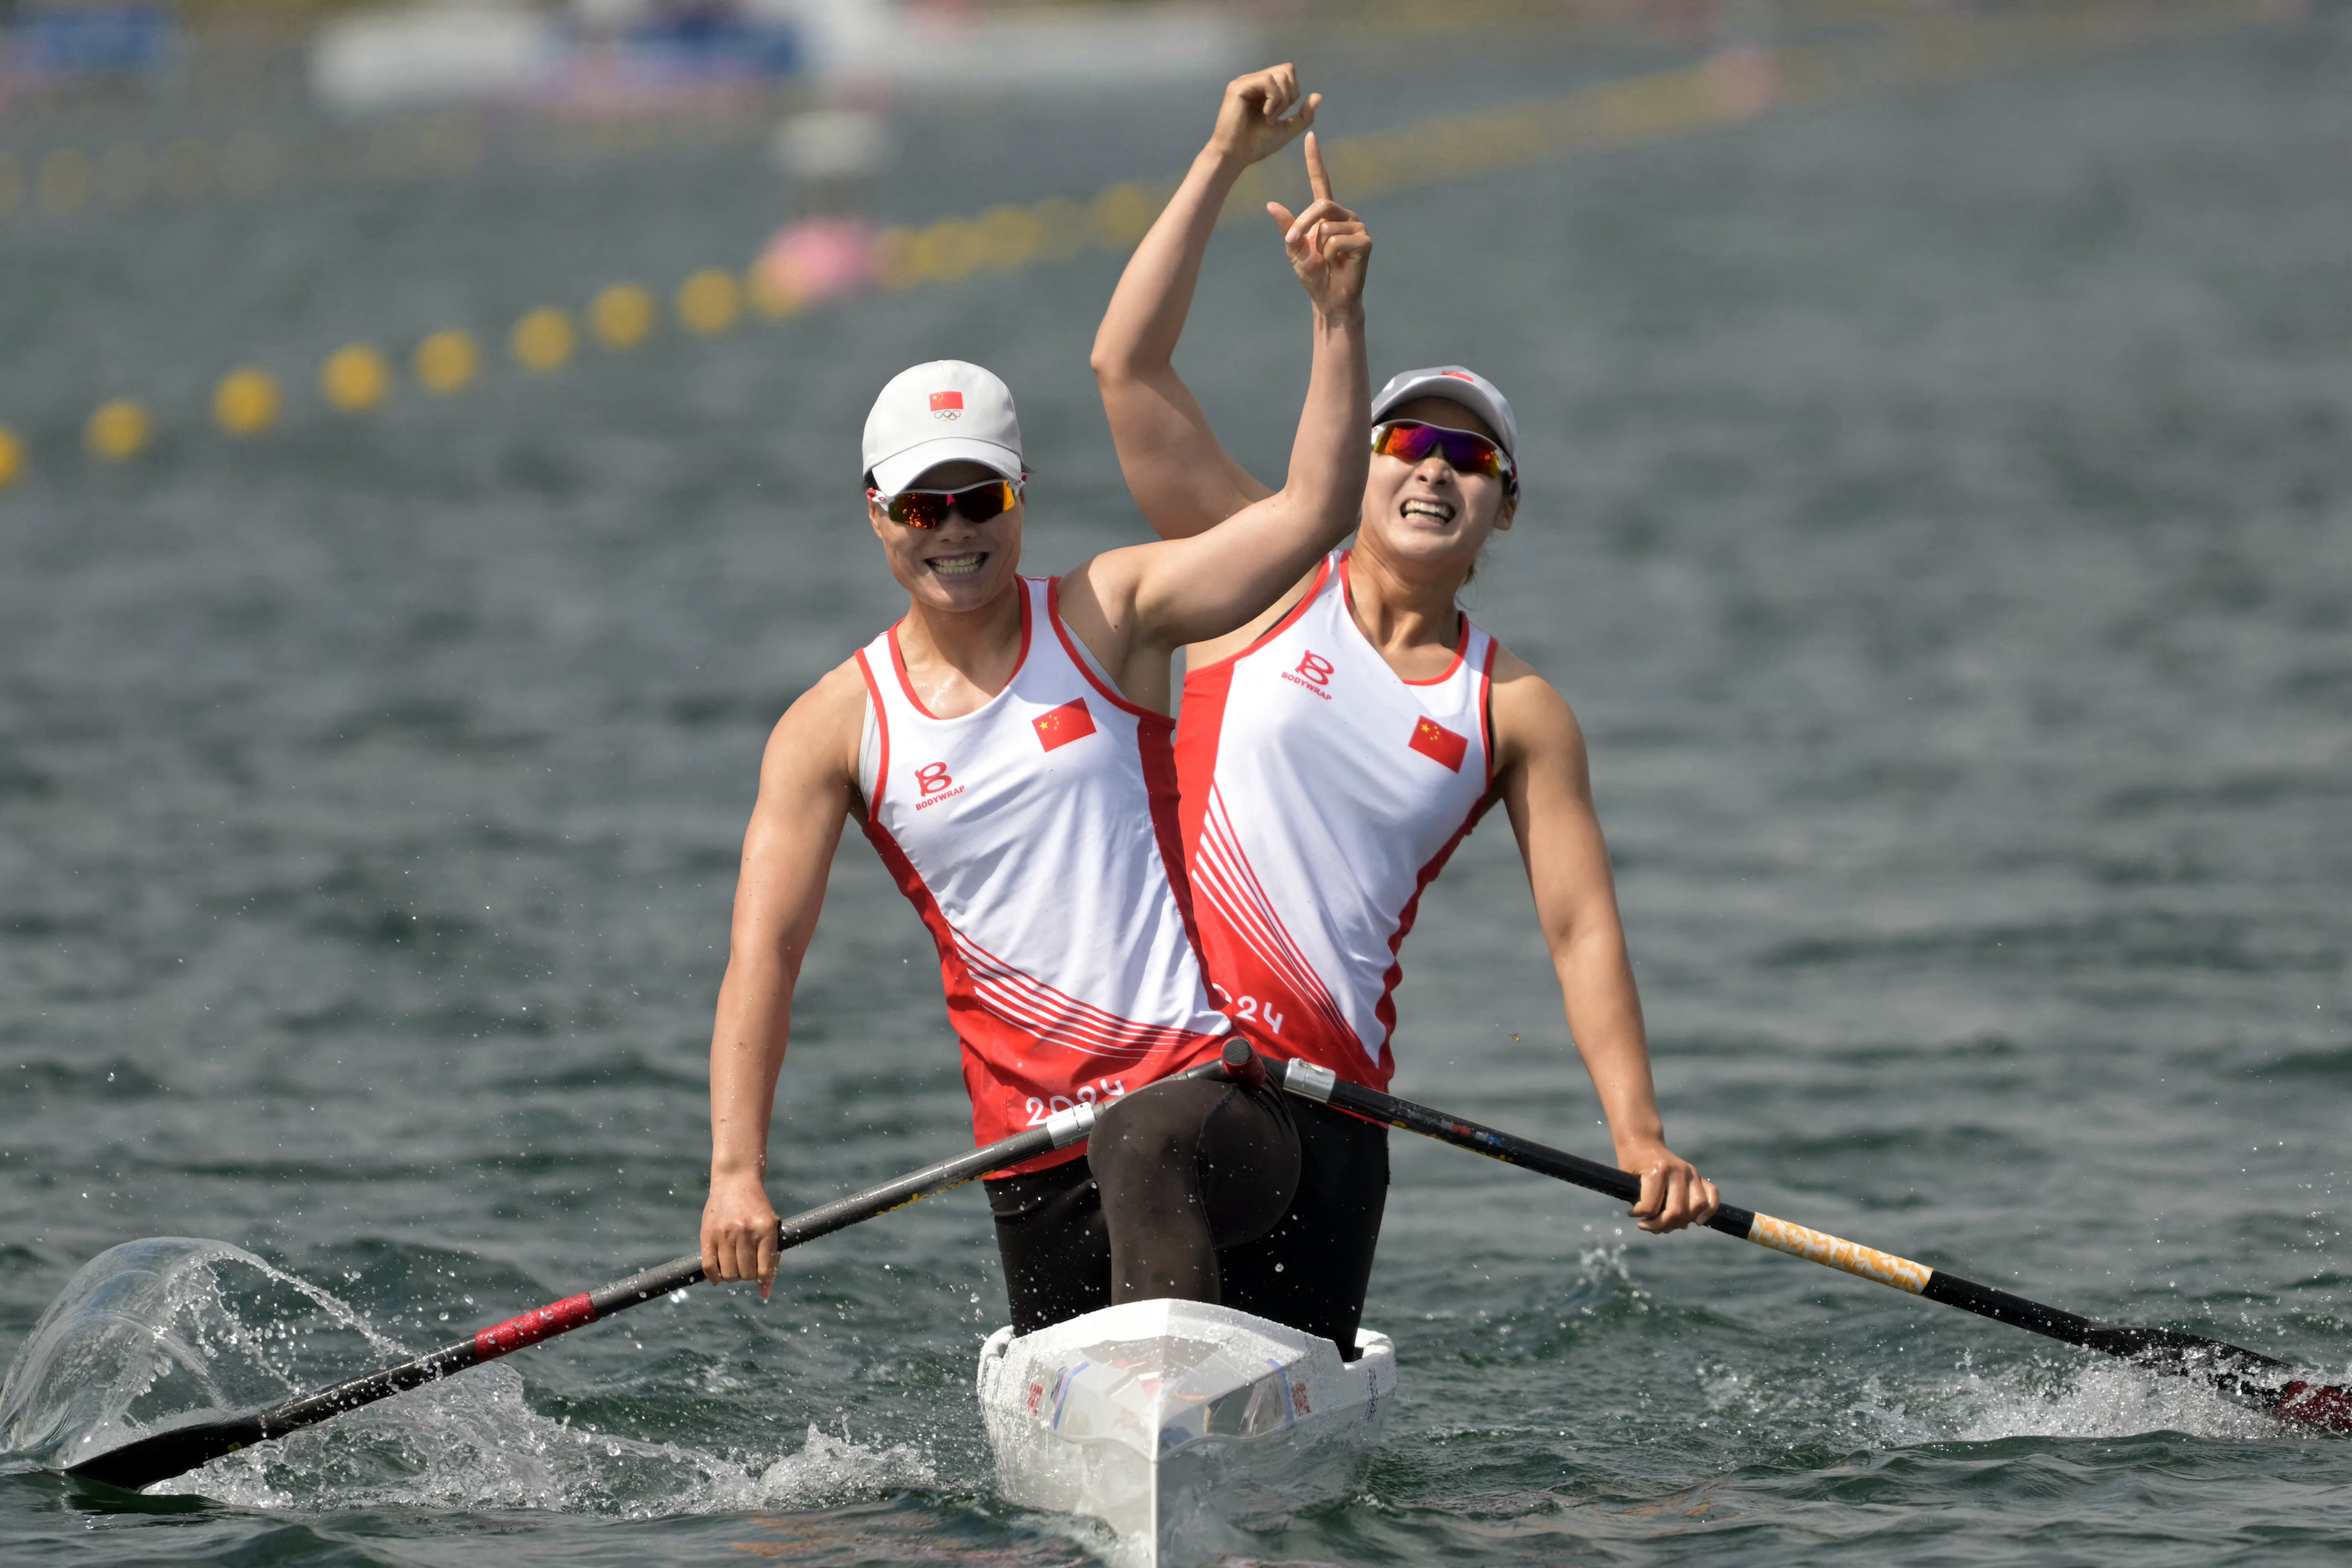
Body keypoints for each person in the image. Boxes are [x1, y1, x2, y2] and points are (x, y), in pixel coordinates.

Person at [1087, 65, 1720, 1354]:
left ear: (1504, 507)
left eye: (1470, 458)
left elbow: (1580, 922)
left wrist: (1639, 1132)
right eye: (1407, 447)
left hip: (1337, 1120)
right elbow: (1127, 370)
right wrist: (1224, 164)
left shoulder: (1517, 708)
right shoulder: (1257, 584)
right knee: (1149, 1140)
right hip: (1178, 1081)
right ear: (1359, 466)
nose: (1434, 472)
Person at [700, 161, 1374, 1334]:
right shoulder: (832, 726)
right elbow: (766, 950)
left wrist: (1335, 316)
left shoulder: (1111, 616)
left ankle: (1172, 1404)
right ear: (877, 513)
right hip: (1031, 1160)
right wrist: (735, 1173)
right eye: (924, 508)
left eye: (980, 502)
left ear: (1021, 498)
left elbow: (1312, 514)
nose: (954, 532)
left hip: (1210, 1116)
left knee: (1143, 1137)